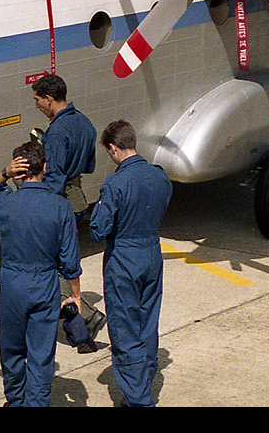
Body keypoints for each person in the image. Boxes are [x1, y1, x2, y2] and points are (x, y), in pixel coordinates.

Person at [0, 139, 84, 407]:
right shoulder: (61, 207)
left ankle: (15, 401)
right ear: (45, 168)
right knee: (41, 354)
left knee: (12, 350)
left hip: (13, 282)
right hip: (45, 282)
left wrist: (4, 173)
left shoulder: (6, 202)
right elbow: (70, 259)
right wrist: (75, 296)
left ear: (19, 171)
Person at [88, 120, 172, 408]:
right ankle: (143, 381)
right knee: (148, 324)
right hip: (152, 253)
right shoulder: (159, 177)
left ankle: (139, 401)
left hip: (124, 259)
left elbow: (98, 230)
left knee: (125, 331)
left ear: (113, 148)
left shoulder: (115, 183)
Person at [31, 73, 105, 351]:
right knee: (63, 260)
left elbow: (55, 177)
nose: (36, 105)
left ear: (49, 99)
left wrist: (38, 201)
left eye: (38, 100)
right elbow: (88, 165)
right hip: (78, 197)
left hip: (60, 200)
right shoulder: (84, 122)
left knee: (48, 266)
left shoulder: (58, 131)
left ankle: (88, 317)